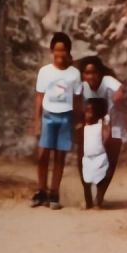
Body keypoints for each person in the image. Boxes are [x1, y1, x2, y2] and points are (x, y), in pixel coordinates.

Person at [31, 31, 83, 210]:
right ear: (52, 51)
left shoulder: (74, 74)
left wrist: (78, 122)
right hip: (48, 115)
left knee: (60, 155)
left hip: (66, 116)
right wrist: (37, 121)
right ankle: (41, 191)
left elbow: (77, 99)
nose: (60, 54)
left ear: (68, 52)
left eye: (64, 50)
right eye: (57, 50)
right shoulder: (45, 72)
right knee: (43, 154)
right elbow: (39, 97)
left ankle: (54, 192)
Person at [78, 54, 125, 205]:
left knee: (110, 161)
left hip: (114, 121)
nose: (91, 76)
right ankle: (87, 194)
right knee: (84, 156)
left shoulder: (107, 81)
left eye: (94, 73)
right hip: (92, 126)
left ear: (100, 73)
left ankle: (100, 195)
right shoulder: (82, 86)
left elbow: (120, 89)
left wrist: (119, 94)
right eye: (87, 73)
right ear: (83, 74)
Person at [77, 97, 111, 209]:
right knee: (86, 182)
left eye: (90, 111)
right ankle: (88, 202)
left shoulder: (101, 126)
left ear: (97, 113)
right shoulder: (83, 127)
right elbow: (80, 142)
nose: (87, 114)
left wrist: (106, 131)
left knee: (100, 181)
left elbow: (106, 136)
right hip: (87, 159)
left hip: (100, 157)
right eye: (85, 111)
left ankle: (98, 201)